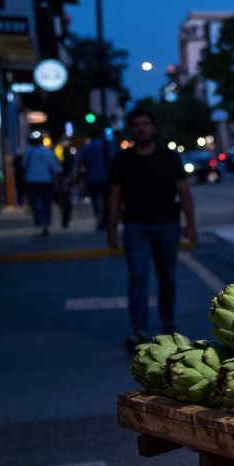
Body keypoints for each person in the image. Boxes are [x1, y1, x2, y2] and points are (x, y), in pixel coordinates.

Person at [107, 108, 198, 347]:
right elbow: (114, 196)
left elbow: (184, 192)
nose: (141, 128)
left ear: (153, 128)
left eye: (145, 124)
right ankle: (139, 328)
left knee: (167, 276)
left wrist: (191, 225)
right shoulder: (122, 160)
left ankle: (167, 321)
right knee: (138, 276)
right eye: (136, 125)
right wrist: (111, 228)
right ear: (131, 129)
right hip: (135, 226)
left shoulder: (168, 157)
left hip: (167, 225)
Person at [22, 132, 61, 236]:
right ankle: (46, 223)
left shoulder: (28, 152)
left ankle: (39, 221)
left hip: (32, 181)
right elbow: (55, 169)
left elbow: (23, 166)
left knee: (36, 202)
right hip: (46, 181)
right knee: (46, 203)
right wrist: (56, 183)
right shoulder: (47, 152)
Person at [74, 129, 111, 229]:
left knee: (95, 199)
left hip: (92, 177)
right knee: (106, 200)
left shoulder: (87, 147)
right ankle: (105, 219)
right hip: (107, 177)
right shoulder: (107, 146)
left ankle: (99, 217)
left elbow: (78, 160)